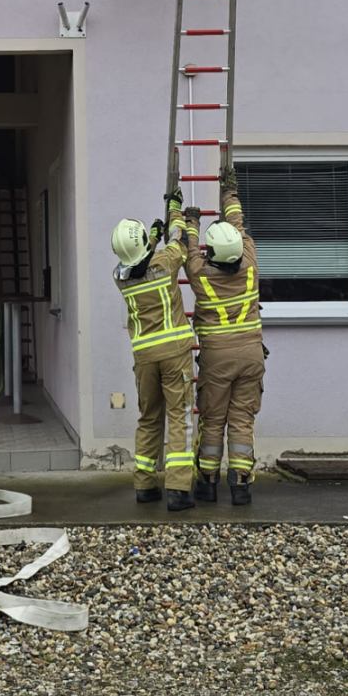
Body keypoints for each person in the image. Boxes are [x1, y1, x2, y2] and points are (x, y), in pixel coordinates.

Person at [183, 164, 266, 506]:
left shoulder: (202, 276)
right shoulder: (250, 264)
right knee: (242, 419)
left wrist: (191, 222)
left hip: (217, 358)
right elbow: (237, 223)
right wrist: (229, 190)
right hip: (251, 356)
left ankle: (206, 482)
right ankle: (241, 484)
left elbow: (189, 252)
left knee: (214, 419)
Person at [111, 191, 196, 511]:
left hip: (143, 358)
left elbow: (138, 260)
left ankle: (145, 484)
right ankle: (178, 488)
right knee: (180, 417)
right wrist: (175, 210)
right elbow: (181, 241)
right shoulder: (164, 263)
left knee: (149, 417)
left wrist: (152, 235)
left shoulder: (120, 277)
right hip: (174, 352)